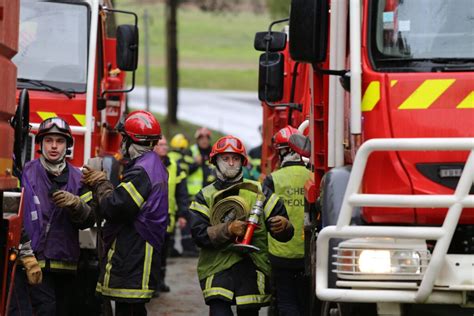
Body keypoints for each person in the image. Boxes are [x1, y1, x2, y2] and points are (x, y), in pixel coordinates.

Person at [189, 135, 294, 316]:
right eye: (226, 158)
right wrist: (227, 230)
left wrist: (284, 227)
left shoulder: (260, 192)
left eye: (235, 158)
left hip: (251, 268)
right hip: (217, 267)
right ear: (216, 161)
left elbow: (284, 232)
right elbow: (199, 235)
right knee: (219, 312)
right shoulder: (205, 196)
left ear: (242, 162)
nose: (231, 163)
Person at [83, 110, 168, 316]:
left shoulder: (141, 172)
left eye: (124, 138)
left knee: (129, 309)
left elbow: (116, 207)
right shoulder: (152, 165)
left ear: (132, 141)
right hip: (139, 250)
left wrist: (101, 182)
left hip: (135, 252)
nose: (121, 143)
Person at [21, 117, 95, 315]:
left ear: (67, 146)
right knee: (45, 310)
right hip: (33, 264)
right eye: (48, 140)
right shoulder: (26, 173)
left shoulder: (79, 178)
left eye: (60, 141)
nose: (54, 146)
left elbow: (89, 220)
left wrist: (77, 205)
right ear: (40, 143)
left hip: (66, 264)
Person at [263, 126, 311, 316]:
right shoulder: (314, 177)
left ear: (282, 152)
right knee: (305, 301)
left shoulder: (272, 179)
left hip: (279, 253)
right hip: (308, 253)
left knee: (285, 300)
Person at [154, 136, 189, 293]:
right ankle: (151, 284)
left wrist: (182, 214)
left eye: (165, 145)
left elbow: (182, 194)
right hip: (151, 216)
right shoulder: (148, 165)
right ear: (153, 147)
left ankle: (160, 281)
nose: (164, 147)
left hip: (168, 215)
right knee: (152, 250)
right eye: (160, 144)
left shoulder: (175, 166)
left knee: (163, 250)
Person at [184, 127, 216, 257]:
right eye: (201, 138)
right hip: (193, 194)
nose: (204, 140)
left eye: (206, 138)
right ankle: (188, 249)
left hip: (211, 194)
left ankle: (205, 245)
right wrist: (195, 164)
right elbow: (183, 170)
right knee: (192, 221)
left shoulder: (214, 152)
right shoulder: (190, 151)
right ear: (197, 139)